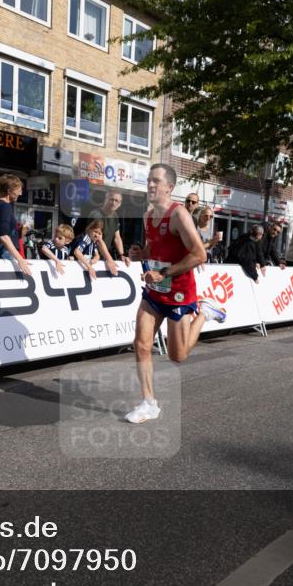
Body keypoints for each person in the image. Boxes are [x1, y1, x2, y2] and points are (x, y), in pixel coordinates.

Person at [126, 164, 225, 424]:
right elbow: (153, 249)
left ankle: (204, 313)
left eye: (156, 181)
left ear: (169, 187)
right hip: (155, 291)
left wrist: (166, 272)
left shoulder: (179, 215)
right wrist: (141, 255)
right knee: (142, 344)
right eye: (149, 180)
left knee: (177, 356)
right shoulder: (148, 215)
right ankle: (149, 403)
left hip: (180, 293)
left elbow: (199, 254)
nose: (150, 185)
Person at [0, 173, 32, 275]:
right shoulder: (5, 206)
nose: (20, 193)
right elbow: (3, 236)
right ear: (9, 191)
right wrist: (20, 259)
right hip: (4, 254)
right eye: (19, 190)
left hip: (2, 253)